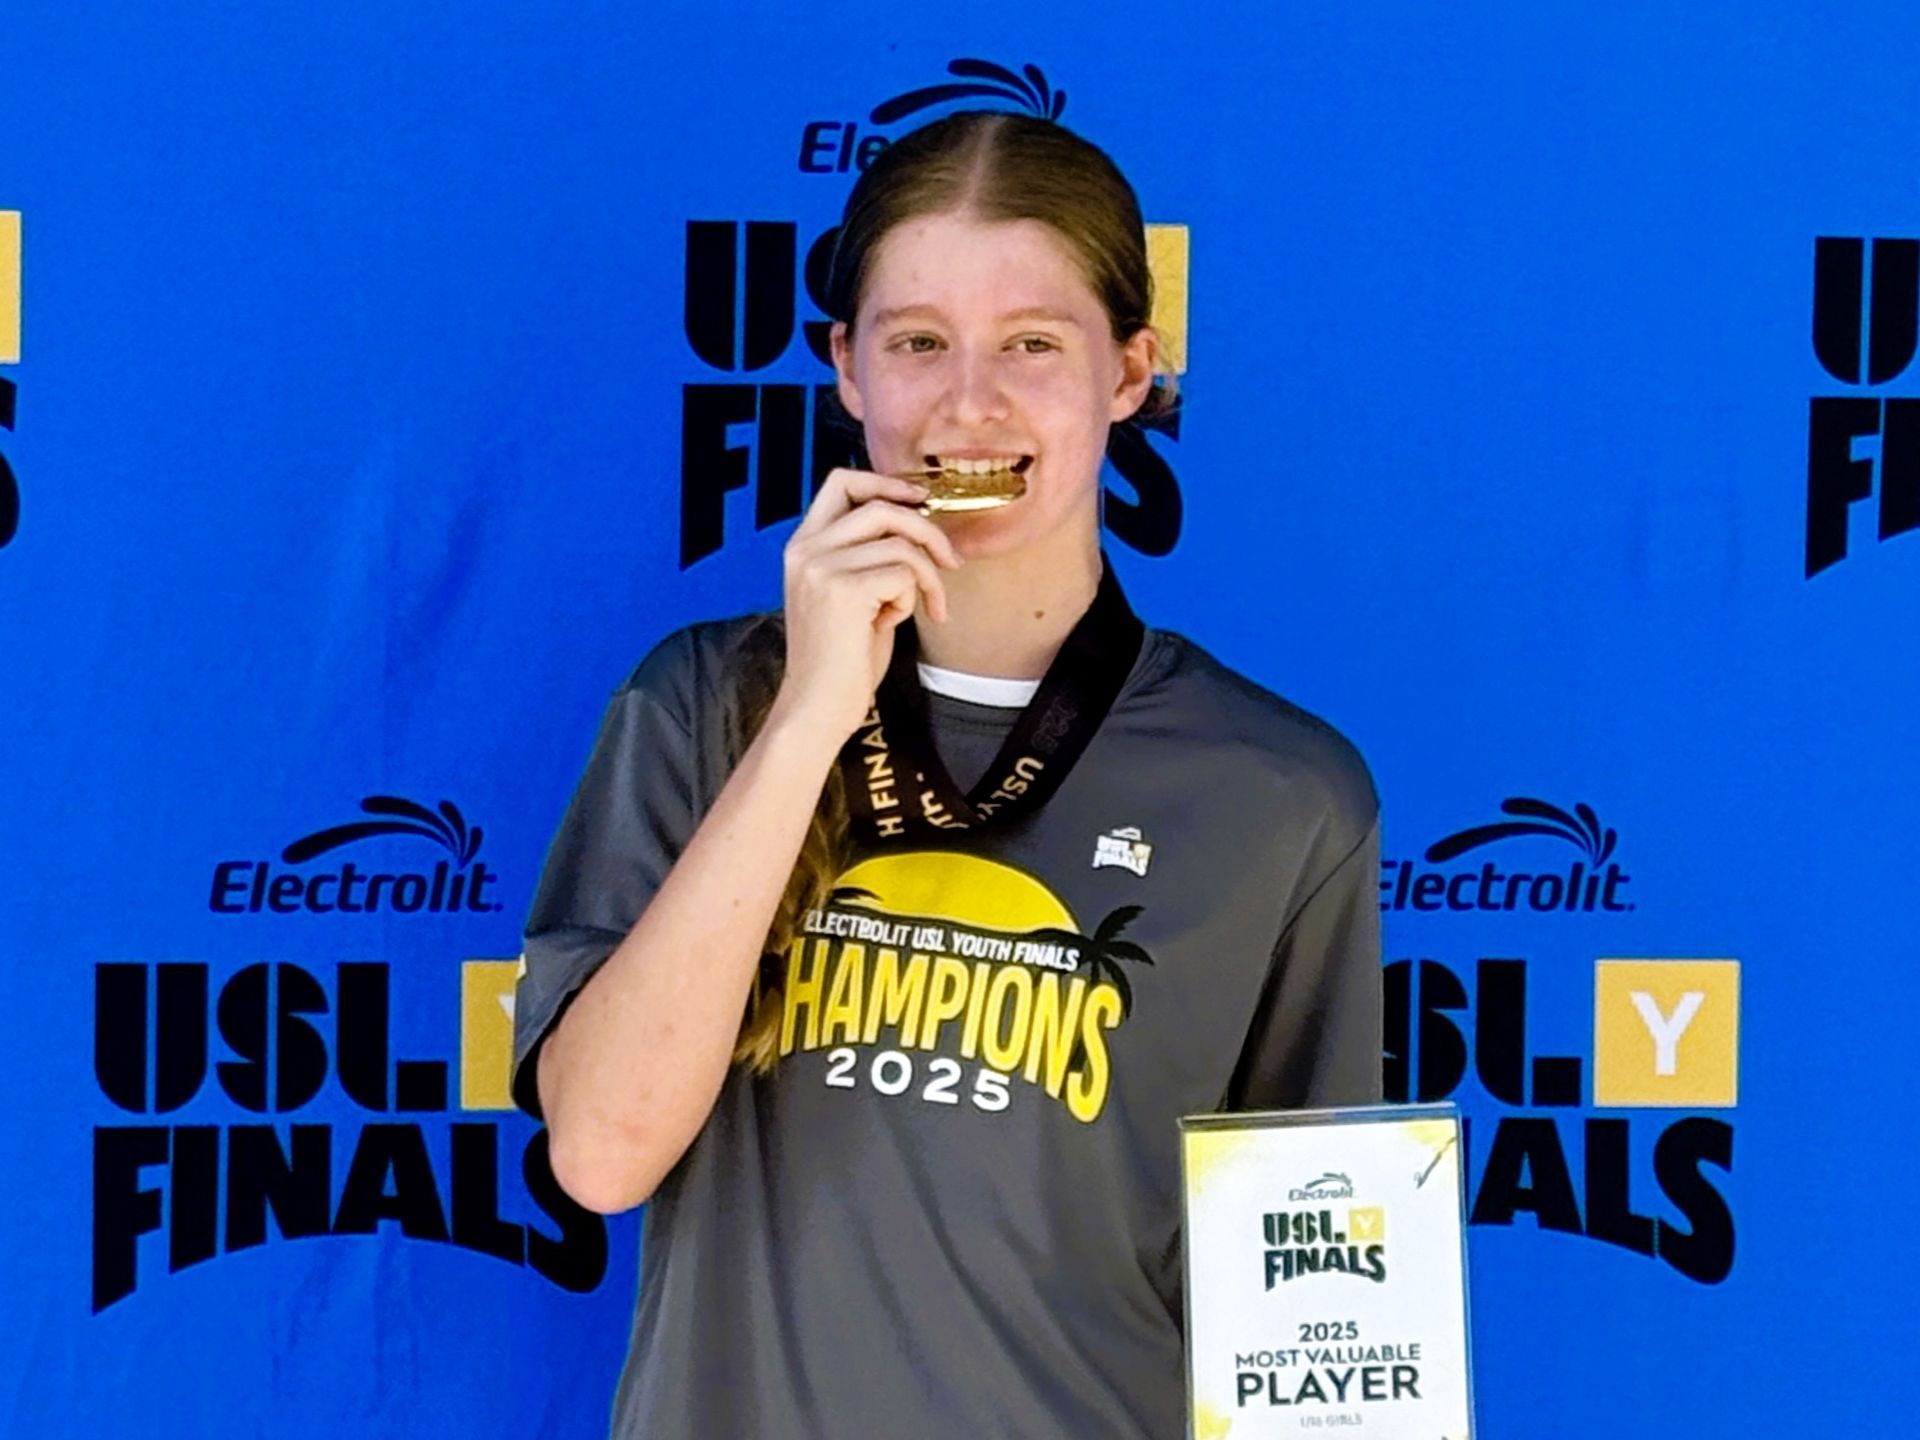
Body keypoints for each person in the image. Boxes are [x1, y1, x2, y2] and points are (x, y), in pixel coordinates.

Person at [512, 109, 1381, 1440]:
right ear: (846, 369)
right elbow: (601, 1155)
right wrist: (808, 714)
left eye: (1033, 345)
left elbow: (1325, 1347)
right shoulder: (698, 705)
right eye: (918, 342)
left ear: (1131, 372)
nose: (969, 402)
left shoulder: (1283, 793)